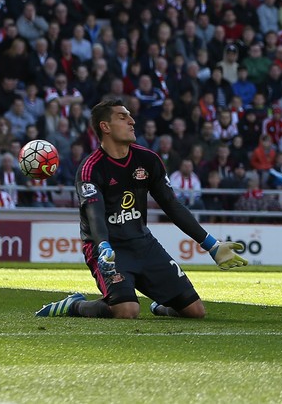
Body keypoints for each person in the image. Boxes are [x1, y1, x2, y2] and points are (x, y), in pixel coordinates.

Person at [35, 99, 248, 319]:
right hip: (109, 249)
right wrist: (103, 246)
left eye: (130, 116)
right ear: (105, 127)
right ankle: (74, 306)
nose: (132, 121)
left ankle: (159, 306)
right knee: (127, 311)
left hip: (143, 244)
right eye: (122, 117)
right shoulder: (91, 168)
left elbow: (171, 205)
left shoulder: (147, 159)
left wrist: (211, 244)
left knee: (195, 312)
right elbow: (94, 213)